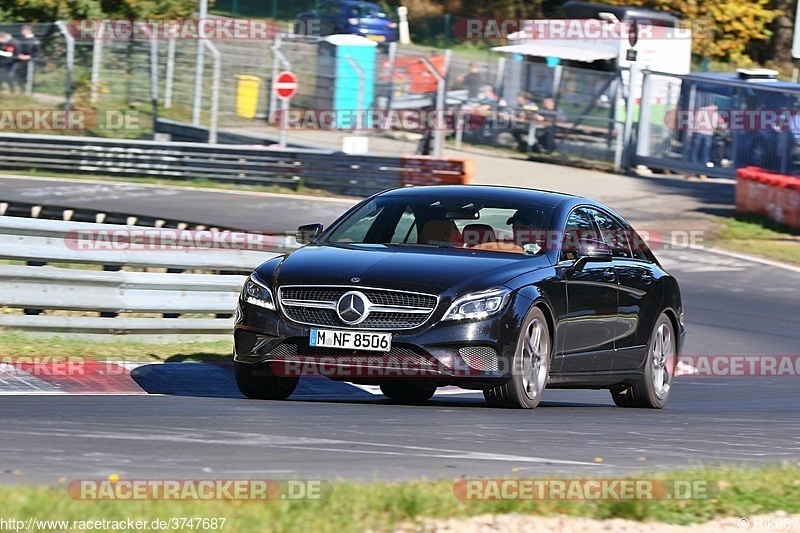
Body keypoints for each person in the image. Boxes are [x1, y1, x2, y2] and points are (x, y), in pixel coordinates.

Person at [11, 25, 40, 94]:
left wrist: (29, 57)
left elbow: (37, 53)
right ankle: (22, 90)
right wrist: (19, 55)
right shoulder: (24, 40)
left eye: (23, 31)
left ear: (28, 31)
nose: (22, 32)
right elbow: (20, 49)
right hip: (21, 61)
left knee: (30, 77)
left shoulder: (35, 40)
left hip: (30, 61)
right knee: (19, 76)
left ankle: (31, 91)